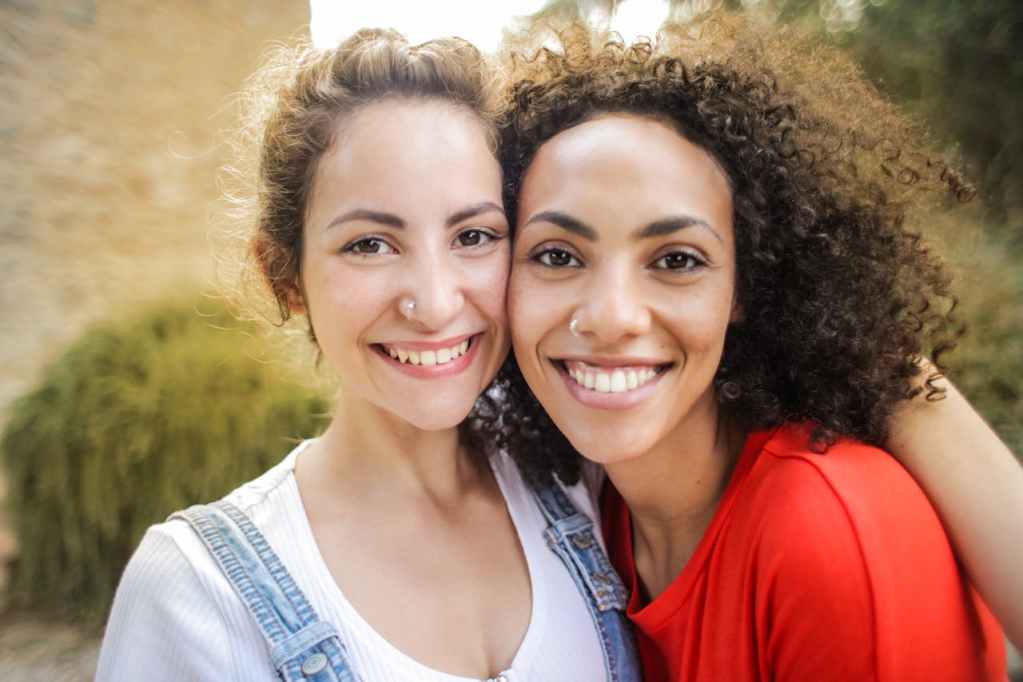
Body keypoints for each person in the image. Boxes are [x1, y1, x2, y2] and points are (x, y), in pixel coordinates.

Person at [96, 29, 639, 682]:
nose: (435, 304)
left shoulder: (591, 484)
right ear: (284, 277)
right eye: (370, 245)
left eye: (473, 235)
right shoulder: (199, 593)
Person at [496, 17, 1014, 680]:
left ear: (748, 285)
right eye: (558, 255)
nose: (611, 317)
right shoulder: (582, 511)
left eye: (677, 259)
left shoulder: (820, 533)